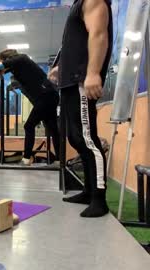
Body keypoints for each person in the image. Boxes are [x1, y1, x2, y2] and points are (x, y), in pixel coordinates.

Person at [49, 0, 113, 218]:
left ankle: (99, 199)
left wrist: (93, 72)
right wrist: (60, 67)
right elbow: (75, 43)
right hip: (69, 81)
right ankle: (88, 191)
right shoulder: (78, 4)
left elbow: (98, 34)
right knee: (75, 138)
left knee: (87, 139)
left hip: (81, 80)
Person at [0, 49, 60, 166]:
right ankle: (59, 160)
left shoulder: (22, 58)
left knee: (29, 125)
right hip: (48, 96)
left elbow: (0, 66)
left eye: (2, 60)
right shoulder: (18, 66)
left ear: (7, 58)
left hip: (46, 96)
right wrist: (0, 71)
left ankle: (26, 158)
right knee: (53, 129)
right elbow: (2, 70)